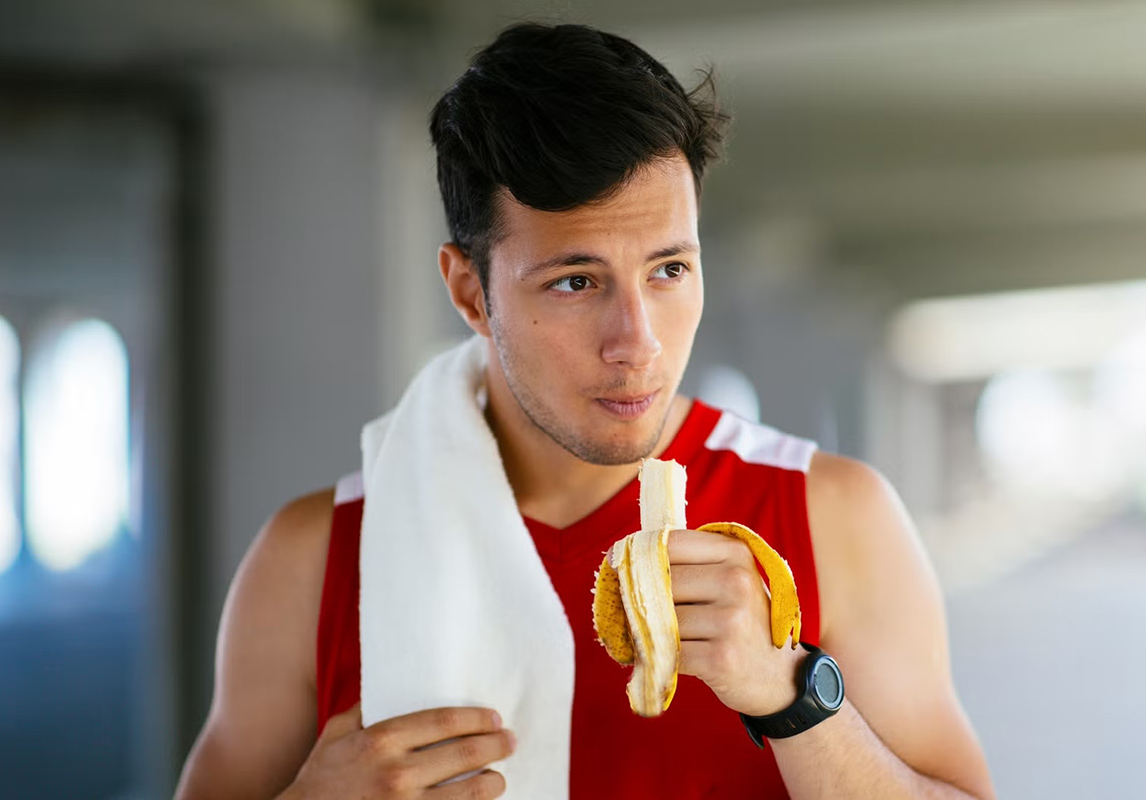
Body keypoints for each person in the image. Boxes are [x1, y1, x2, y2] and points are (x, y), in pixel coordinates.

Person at [176, 22, 995, 800]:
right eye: (576, 282)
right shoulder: (312, 559)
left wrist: (789, 694)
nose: (636, 342)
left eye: (669, 270)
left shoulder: (832, 515)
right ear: (469, 290)